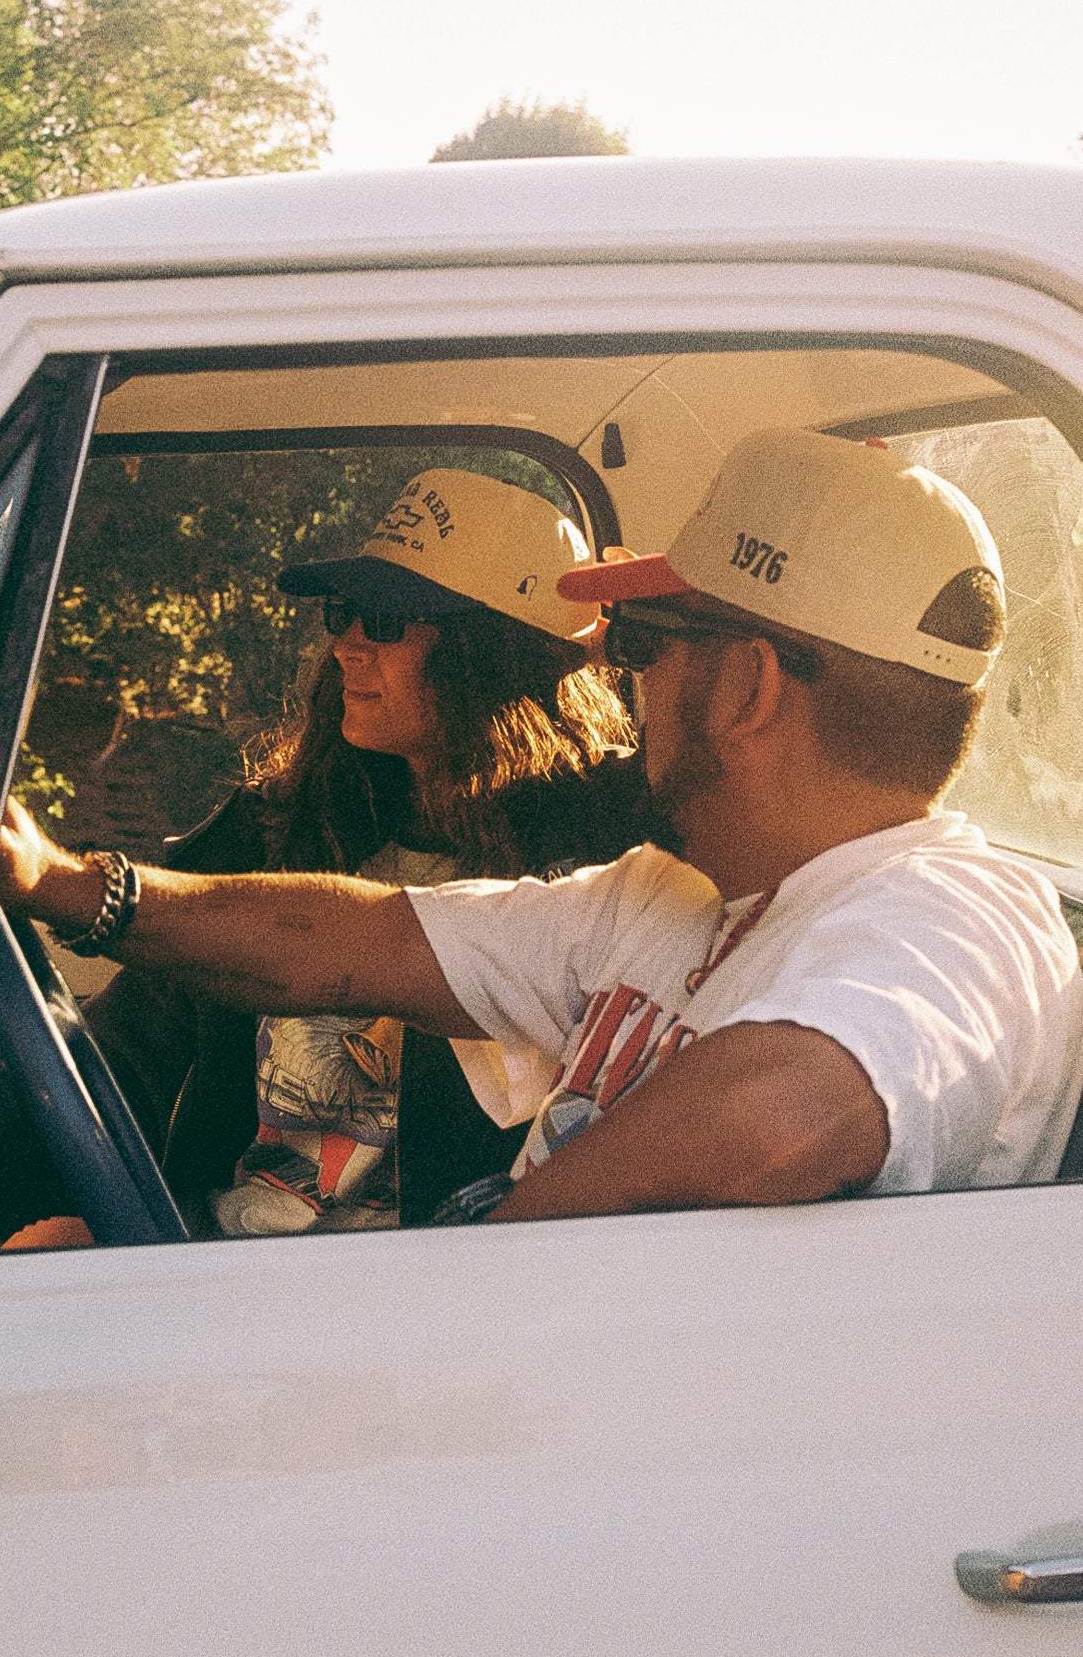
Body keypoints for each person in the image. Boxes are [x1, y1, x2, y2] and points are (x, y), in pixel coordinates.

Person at [0, 429, 1083, 1224]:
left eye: (647, 638)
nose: (621, 676)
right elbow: (348, 942)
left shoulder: (954, 913)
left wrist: (468, 1282)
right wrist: (63, 884)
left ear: (748, 687)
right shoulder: (669, 893)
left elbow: (787, 1112)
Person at [55, 465, 657, 1235]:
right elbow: (120, 1057)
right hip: (216, 1275)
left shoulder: (604, 860)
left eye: (384, 619)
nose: (343, 645)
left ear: (493, 654)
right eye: (343, 611)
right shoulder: (273, 830)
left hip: (444, 1293)